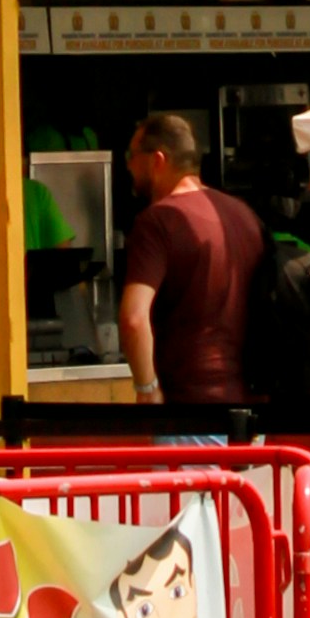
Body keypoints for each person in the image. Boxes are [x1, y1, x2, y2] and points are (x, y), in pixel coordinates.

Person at [118, 109, 264, 417]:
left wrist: (147, 389)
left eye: (132, 155)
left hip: (189, 409)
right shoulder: (243, 216)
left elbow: (133, 317)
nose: (128, 165)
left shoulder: (159, 221)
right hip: (250, 408)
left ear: (157, 160)